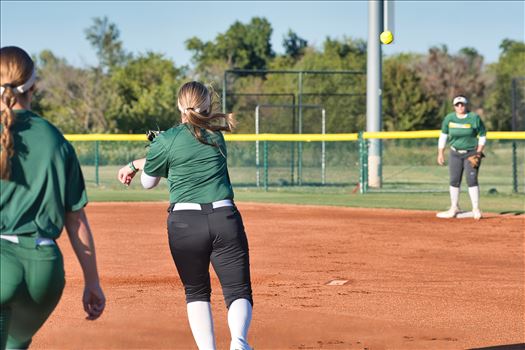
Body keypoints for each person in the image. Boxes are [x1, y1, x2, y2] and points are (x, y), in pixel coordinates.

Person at [118, 81, 253, 350]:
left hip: (185, 223)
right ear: (207, 105)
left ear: (179, 106)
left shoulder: (166, 139)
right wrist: (152, 155)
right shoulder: (216, 135)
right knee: (238, 291)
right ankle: (238, 342)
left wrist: (147, 155)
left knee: (197, 292)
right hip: (224, 218)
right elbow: (191, 151)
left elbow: (149, 182)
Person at [0, 46, 105, 349]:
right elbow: (77, 221)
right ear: (33, 85)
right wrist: (92, 282)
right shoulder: (55, 139)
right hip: (45, 273)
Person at [436, 95, 487, 219]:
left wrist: (478, 153)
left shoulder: (474, 118)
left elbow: (482, 135)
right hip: (455, 153)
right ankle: (454, 207)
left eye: (462, 104)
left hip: (471, 153)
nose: (460, 106)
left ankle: (475, 208)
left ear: (466, 105)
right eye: (457, 104)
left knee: (472, 180)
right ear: (454, 106)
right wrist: (440, 153)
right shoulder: (449, 118)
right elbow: (443, 135)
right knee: (454, 180)